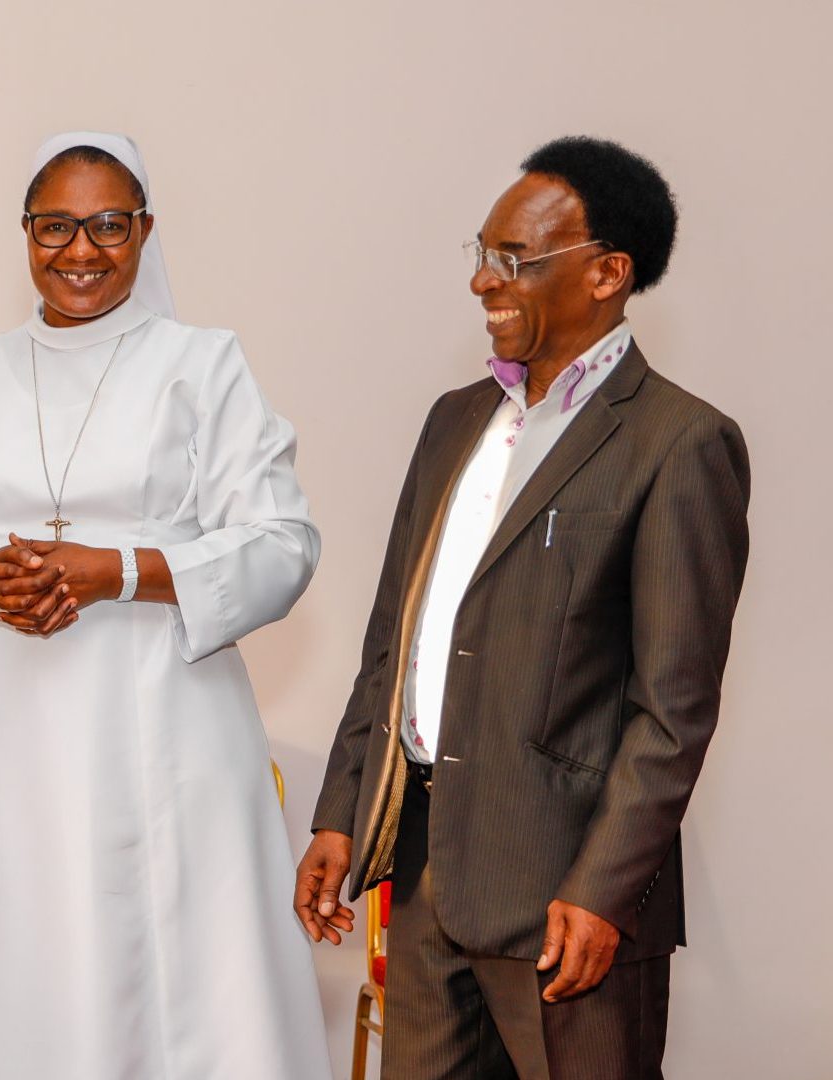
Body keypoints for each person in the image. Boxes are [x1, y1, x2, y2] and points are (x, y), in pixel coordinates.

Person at [0, 132, 333, 1079]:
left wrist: (118, 570)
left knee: (157, 958)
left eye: (109, 225)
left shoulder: (204, 365)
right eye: (56, 227)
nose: (81, 250)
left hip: (159, 715)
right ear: (25, 232)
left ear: (145, 229)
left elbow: (282, 542)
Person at [295, 137, 750, 1078]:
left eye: (514, 259)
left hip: (566, 905)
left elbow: (673, 711)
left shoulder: (680, 442)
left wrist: (602, 890)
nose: (482, 281)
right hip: (423, 878)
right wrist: (342, 812)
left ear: (607, 274)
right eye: (482, 252)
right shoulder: (453, 419)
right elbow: (394, 643)